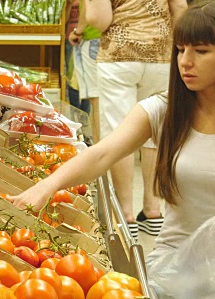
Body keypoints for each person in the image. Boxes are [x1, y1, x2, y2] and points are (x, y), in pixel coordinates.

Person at [7, 1, 215, 299]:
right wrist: (45, 186)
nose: (185, 61)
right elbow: (103, 153)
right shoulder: (164, 110)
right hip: (178, 256)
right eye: (181, 49)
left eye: (201, 51)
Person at [81, 0, 188, 239]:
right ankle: (152, 211)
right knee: (156, 127)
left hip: (120, 56)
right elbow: (180, 8)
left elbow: (100, 20)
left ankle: (126, 215)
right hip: (161, 56)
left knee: (120, 130)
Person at [68, 2, 101, 144]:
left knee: (98, 101)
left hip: (93, 38)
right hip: (118, 40)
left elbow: (90, 7)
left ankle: (100, 150)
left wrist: (78, 31)